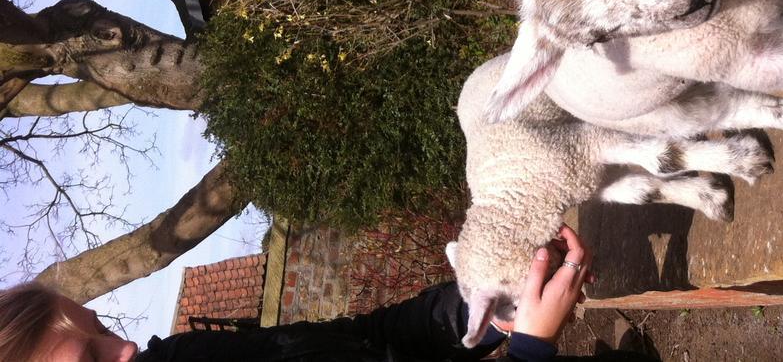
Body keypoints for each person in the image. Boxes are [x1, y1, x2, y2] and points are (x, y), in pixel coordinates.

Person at [2, 225, 647, 362]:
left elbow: (365, 340)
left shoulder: (180, 357)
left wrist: (474, 309)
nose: (125, 352)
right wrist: (532, 348)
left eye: (100, 326)